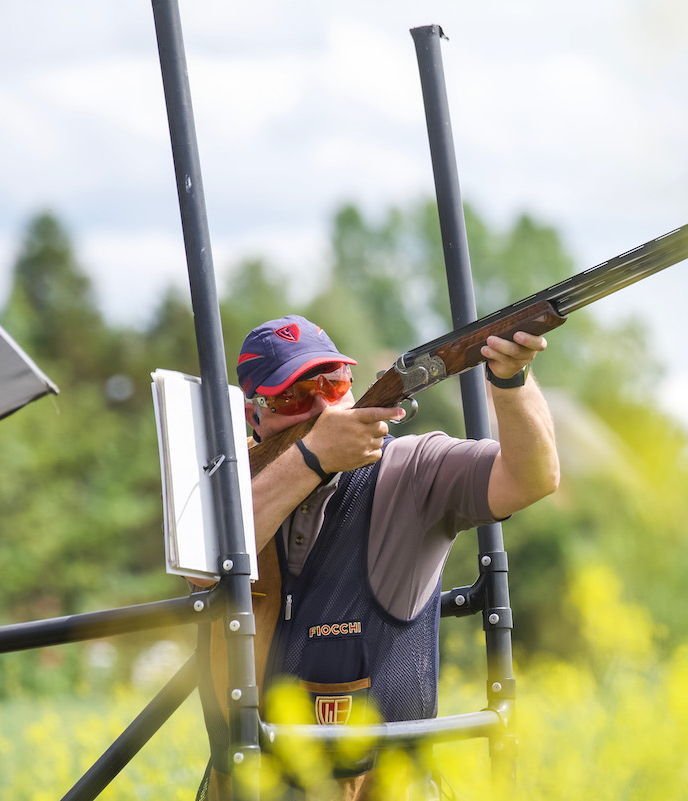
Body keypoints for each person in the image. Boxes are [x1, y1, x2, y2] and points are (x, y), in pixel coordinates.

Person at [198, 314, 559, 800]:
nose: (324, 407)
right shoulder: (229, 485)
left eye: (334, 383)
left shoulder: (412, 467)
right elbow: (208, 572)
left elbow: (533, 478)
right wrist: (312, 460)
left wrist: (510, 381)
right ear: (253, 415)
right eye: (295, 397)